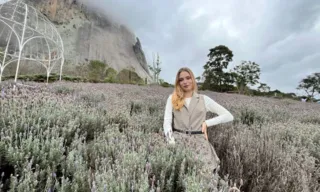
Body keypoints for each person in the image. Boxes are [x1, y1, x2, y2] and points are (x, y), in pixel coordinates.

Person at [163, 67, 234, 179]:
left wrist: (206, 123)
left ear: (193, 79)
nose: (185, 82)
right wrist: (171, 142)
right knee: (178, 178)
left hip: (200, 143)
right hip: (178, 141)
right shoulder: (172, 98)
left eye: (188, 78)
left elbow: (228, 116)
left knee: (204, 178)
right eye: (181, 79)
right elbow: (167, 122)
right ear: (178, 82)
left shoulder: (203, 99)